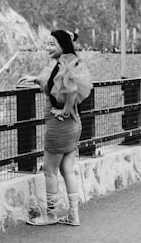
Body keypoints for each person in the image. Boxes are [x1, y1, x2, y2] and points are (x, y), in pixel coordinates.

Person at [17, 30, 93, 226]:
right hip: (73, 125)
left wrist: (64, 111)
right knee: (67, 169)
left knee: (49, 170)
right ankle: (73, 215)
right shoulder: (71, 61)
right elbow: (55, 82)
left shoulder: (65, 65)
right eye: (48, 44)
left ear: (62, 46)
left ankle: (51, 215)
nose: (48, 47)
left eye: (52, 44)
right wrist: (35, 78)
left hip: (59, 126)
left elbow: (72, 88)